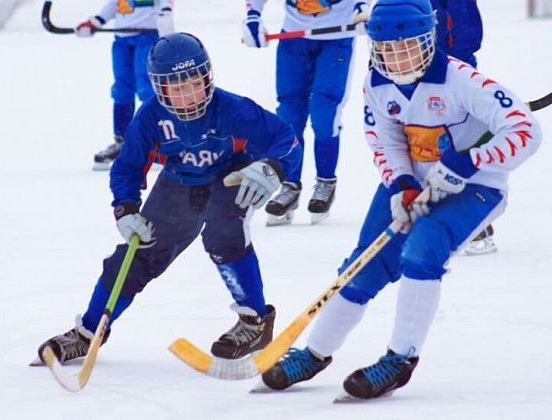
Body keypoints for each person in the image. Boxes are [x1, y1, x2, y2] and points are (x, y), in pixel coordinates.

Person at [259, 0, 541, 399]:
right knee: (363, 265)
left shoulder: (462, 80)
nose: (397, 57)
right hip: (417, 182)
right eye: (387, 47)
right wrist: (401, 183)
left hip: (478, 187)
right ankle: (315, 352)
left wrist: (469, 162)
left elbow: (526, 131)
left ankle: (400, 358)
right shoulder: (378, 82)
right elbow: (385, 139)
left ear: (429, 39)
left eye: (407, 45)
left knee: (424, 249)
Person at [36, 33, 301, 364]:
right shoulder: (149, 119)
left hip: (232, 178)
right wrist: (126, 209)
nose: (188, 95)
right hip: (179, 183)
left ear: (208, 77)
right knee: (136, 255)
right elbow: (128, 167)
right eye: (176, 88)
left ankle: (255, 322)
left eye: (194, 83)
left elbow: (285, 138)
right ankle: (89, 331)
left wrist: (271, 168)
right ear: (160, 89)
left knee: (223, 235)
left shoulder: (233, 109)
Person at [241, 0, 369, 225]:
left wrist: (361, 7)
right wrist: (253, 14)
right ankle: (290, 185)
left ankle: (326, 181)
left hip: (336, 36)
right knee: (289, 117)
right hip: (294, 35)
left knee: (324, 114)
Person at [74, 0, 175, 171]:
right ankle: (123, 141)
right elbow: (114, 5)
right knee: (122, 89)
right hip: (122, 40)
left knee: (147, 87)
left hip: (147, 37)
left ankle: (158, 140)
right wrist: (95, 22)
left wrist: (166, 14)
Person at [430, 0, 495, 255]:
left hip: (452, 75)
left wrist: (446, 67)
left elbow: (468, 33)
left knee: (457, 146)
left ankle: (476, 222)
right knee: (418, 147)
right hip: (410, 73)